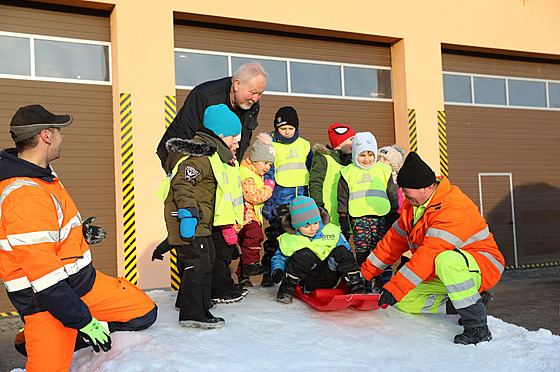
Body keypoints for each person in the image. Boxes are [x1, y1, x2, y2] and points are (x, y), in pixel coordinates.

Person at [0, 105, 157, 372]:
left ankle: (71, 331)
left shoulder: (42, 174)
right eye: (59, 131)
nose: (63, 137)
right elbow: (45, 279)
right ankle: (36, 337)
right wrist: (83, 321)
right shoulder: (24, 194)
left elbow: (48, 233)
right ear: (46, 136)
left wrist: (80, 234)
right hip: (49, 303)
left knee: (144, 311)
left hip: (84, 285)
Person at [361, 152, 505, 345]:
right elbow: (392, 243)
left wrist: (395, 287)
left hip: (482, 264)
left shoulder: (453, 208)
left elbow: (429, 254)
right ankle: (471, 301)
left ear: (425, 188)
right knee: (404, 301)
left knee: (445, 260)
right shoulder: (411, 208)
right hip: (446, 271)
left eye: (406, 190)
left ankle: (477, 327)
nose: (403, 195)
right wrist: (363, 275)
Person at [161, 104, 247, 328]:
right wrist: (188, 214)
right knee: (198, 264)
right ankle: (194, 314)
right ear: (219, 134)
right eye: (233, 137)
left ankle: (188, 302)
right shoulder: (201, 157)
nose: (236, 143)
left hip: (201, 220)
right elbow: (182, 183)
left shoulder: (212, 155)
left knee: (202, 260)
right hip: (190, 219)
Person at [157, 62, 268, 166]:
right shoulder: (203, 96)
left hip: (219, 162)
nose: (255, 99)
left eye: (260, 94)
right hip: (178, 156)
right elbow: (186, 135)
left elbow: (243, 140)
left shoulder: (252, 105)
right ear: (237, 84)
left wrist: (234, 166)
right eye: (253, 93)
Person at [270, 196, 365, 303]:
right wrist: (277, 271)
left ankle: (357, 288)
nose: (313, 228)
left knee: (342, 251)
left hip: (330, 274)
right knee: (305, 254)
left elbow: (348, 255)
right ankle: (286, 290)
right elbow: (279, 257)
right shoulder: (289, 238)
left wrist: (356, 272)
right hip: (307, 278)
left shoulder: (332, 230)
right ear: (296, 226)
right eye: (307, 226)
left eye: (316, 223)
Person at [337, 132, 396, 291]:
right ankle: (365, 283)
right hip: (359, 219)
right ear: (356, 154)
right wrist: (342, 216)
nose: (366, 158)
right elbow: (342, 197)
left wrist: (394, 212)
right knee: (362, 251)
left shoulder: (383, 170)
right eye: (362, 155)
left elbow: (392, 192)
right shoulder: (348, 172)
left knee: (382, 250)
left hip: (381, 218)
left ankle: (385, 282)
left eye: (370, 154)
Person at [261, 106, 312, 286]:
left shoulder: (305, 145)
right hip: (280, 200)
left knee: (300, 239)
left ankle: (295, 275)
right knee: (276, 237)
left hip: (301, 201)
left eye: (291, 128)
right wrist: (269, 203)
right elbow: (267, 175)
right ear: (276, 128)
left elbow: (311, 171)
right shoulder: (271, 146)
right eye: (283, 129)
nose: (287, 132)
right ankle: (269, 273)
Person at [235, 133, 276, 288]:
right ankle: (251, 265)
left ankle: (243, 276)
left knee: (248, 246)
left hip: (251, 215)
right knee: (254, 236)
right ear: (255, 159)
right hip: (245, 216)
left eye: (270, 165)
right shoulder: (246, 173)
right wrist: (269, 187)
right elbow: (254, 197)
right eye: (265, 163)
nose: (267, 167)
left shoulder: (255, 173)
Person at [309, 123, 355, 226]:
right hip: (327, 213)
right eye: (351, 139)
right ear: (339, 142)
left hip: (345, 215)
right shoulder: (323, 158)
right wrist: (319, 206)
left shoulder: (352, 161)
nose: (354, 143)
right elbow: (315, 183)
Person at [377, 144, 406, 227]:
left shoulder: (396, 181)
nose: (380, 161)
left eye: (385, 159)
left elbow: (399, 199)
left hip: (394, 216)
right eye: (379, 158)